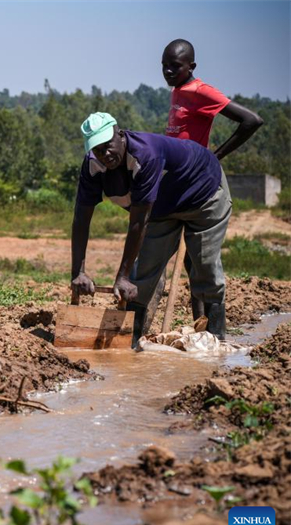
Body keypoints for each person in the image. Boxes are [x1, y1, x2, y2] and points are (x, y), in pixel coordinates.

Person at [71, 113, 231, 347]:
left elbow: (138, 222)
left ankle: (217, 339)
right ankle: (131, 340)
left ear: (120, 133)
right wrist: (78, 271)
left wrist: (122, 276)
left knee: (204, 264)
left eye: (108, 146)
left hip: (203, 193)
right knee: (144, 270)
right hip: (161, 207)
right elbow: (81, 219)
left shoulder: (145, 154)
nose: (105, 154)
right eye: (97, 150)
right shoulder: (93, 166)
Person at [162, 38, 264, 321]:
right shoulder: (178, 91)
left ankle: (212, 329)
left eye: (175, 66)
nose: (168, 71)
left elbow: (251, 120)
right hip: (177, 180)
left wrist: (215, 156)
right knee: (188, 259)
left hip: (199, 181)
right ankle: (199, 324)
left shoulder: (201, 91)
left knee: (200, 259)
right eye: (164, 66)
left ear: (191, 66)